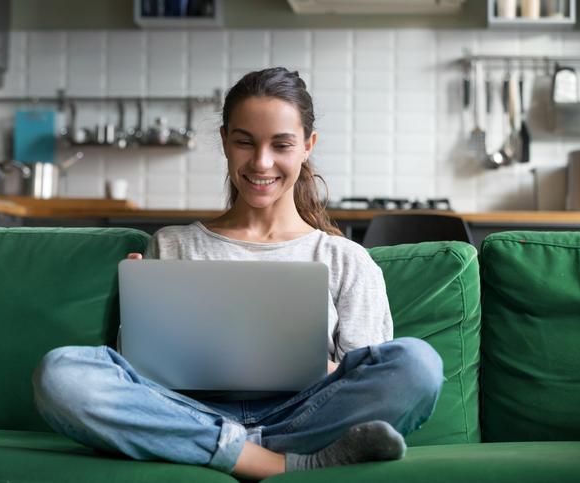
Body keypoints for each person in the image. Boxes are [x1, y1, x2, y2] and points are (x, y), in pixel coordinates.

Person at [32, 67, 444, 480]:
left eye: (280, 144)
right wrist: (138, 316)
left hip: (303, 417)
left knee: (418, 364)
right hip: (189, 412)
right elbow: (142, 376)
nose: (261, 162)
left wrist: (321, 367)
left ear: (307, 146)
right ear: (226, 142)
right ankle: (271, 462)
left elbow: (367, 376)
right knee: (61, 374)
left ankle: (212, 451)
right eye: (245, 142)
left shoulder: (345, 258)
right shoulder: (173, 244)